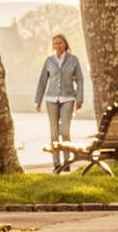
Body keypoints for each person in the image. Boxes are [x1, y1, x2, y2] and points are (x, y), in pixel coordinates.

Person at [35, 35, 84, 172]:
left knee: (65, 131)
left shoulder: (73, 60)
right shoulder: (49, 61)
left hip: (68, 98)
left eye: (60, 43)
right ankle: (56, 164)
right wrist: (38, 100)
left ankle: (67, 161)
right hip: (51, 99)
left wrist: (80, 98)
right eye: (55, 43)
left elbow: (79, 80)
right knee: (54, 133)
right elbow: (42, 81)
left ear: (65, 44)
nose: (57, 45)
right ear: (52, 46)